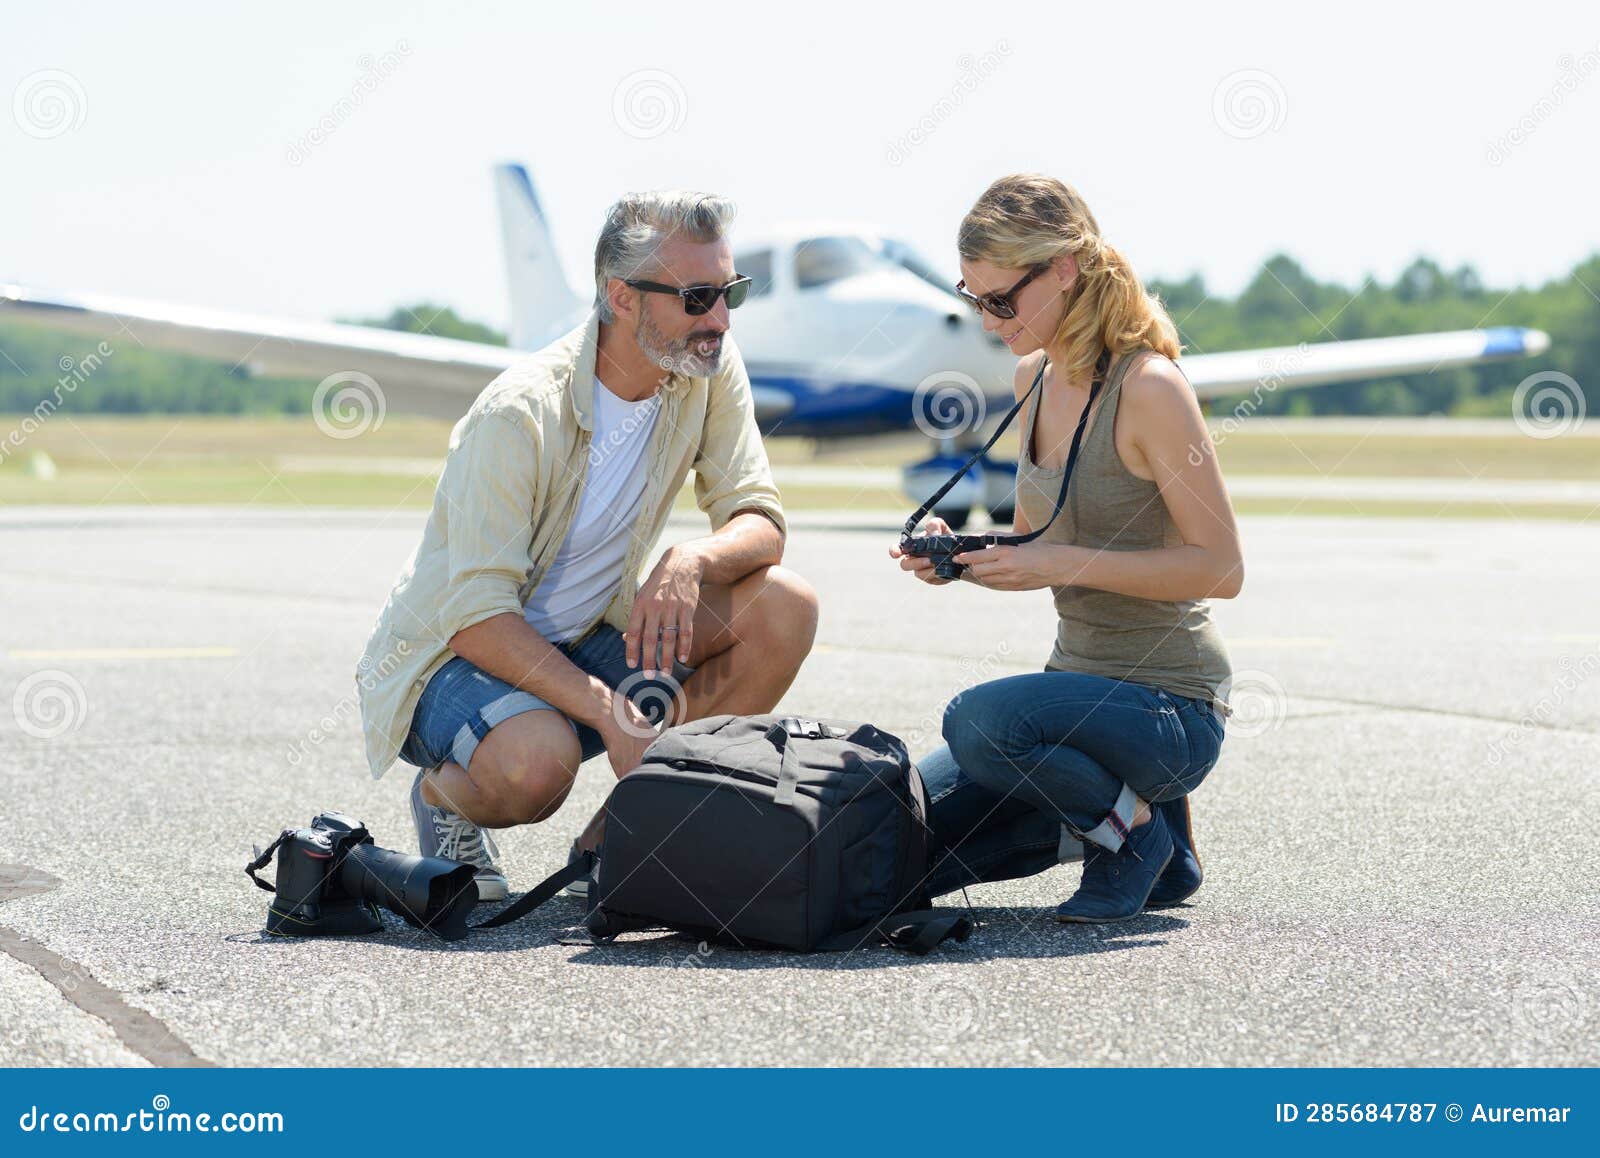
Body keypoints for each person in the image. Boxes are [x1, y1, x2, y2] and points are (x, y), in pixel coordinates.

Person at [357, 190, 818, 901]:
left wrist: (691, 558)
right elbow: (476, 615)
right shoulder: (519, 414)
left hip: (589, 633)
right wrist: (608, 710)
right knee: (540, 769)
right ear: (622, 297)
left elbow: (760, 519)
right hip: (453, 658)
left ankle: (619, 840)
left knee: (784, 607)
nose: (720, 320)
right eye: (698, 297)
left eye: (731, 292)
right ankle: (443, 801)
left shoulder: (708, 368)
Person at [891, 174, 1241, 923]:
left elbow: (1222, 567)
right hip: (1072, 699)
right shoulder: (1033, 377)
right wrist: (961, 555)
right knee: (890, 840)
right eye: (973, 298)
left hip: (1170, 708)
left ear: (1063, 270)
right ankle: (1163, 848)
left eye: (1001, 301)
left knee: (979, 723)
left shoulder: (1150, 387)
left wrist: (1062, 563)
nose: (987, 322)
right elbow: (1036, 545)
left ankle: (1133, 838)